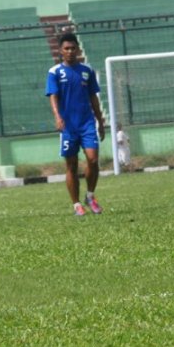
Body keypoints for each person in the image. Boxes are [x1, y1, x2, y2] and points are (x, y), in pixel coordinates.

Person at [46, 32, 107, 216]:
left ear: (77, 49)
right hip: (68, 126)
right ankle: (76, 204)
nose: (70, 51)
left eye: (73, 48)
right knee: (71, 166)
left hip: (87, 123)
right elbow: (53, 96)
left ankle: (90, 196)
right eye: (66, 48)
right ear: (61, 51)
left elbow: (93, 97)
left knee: (93, 160)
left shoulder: (87, 71)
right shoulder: (54, 72)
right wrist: (57, 116)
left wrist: (100, 120)